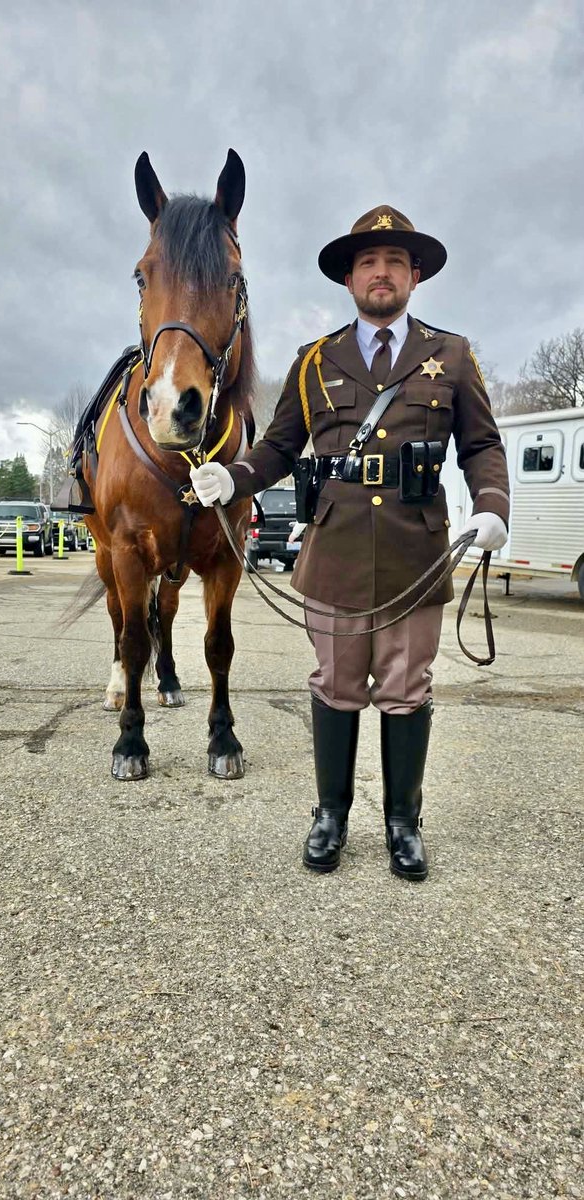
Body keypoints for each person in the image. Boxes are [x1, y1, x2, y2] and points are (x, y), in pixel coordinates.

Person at [190, 205, 509, 882]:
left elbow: (481, 443)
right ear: (350, 279)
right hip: (333, 554)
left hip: (416, 554)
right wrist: (233, 475)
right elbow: (278, 447)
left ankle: (403, 823)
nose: (382, 272)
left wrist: (492, 507)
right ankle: (330, 815)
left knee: (406, 687)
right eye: (369, 262)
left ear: (414, 276)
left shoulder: (450, 356)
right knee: (336, 683)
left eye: (395, 261)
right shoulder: (314, 361)